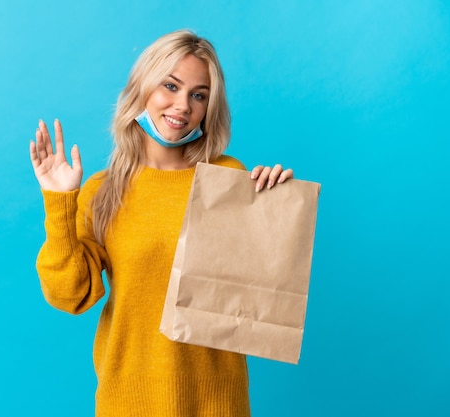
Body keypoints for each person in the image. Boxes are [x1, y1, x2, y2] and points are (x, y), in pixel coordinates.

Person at [29, 29, 293, 417]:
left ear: (208, 107)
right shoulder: (103, 191)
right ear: (143, 89)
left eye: (198, 95)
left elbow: (257, 288)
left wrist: (273, 206)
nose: (182, 105)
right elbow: (71, 296)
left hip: (218, 401)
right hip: (128, 400)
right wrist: (59, 202)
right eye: (170, 86)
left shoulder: (227, 177)